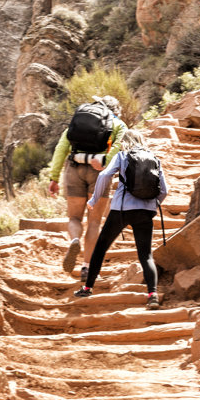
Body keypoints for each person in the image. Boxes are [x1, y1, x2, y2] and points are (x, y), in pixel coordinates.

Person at [74, 129, 168, 309]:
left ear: (125, 142)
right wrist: (151, 206)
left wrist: (94, 199)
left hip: (121, 209)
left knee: (101, 248)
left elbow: (103, 175)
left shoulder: (122, 156)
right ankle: (152, 295)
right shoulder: (155, 159)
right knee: (146, 255)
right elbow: (164, 191)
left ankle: (87, 288)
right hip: (145, 211)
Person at [47, 95, 127, 284]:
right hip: (99, 173)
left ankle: (75, 240)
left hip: (74, 169)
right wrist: (105, 162)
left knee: (74, 218)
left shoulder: (80, 119)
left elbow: (61, 147)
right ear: (116, 110)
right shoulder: (118, 124)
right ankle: (88, 267)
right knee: (94, 222)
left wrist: (54, 177)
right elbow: (120, 147)